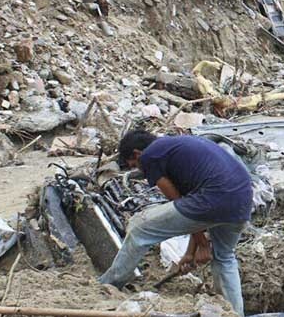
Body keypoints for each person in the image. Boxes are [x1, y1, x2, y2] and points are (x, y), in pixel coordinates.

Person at [99, 130, 253, 316]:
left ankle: (109, 285)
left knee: (140, 227)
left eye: (134, 165)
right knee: (224, 257)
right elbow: (193, 212)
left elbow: (178, 201)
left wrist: (203, 245)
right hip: (241, 200)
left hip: (214, 198)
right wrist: (190, 253)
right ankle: (234, 313)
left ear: (137, 154)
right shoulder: (176, 146)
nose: (139, 170)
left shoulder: (150, 155)